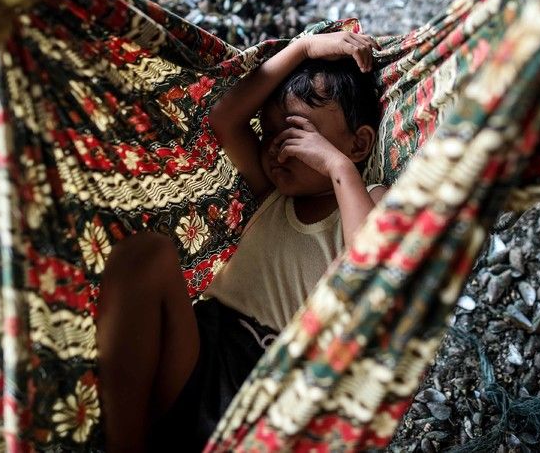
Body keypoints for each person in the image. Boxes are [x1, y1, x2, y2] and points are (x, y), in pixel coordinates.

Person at [97, 31, 389, 452]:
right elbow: (223, 116)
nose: (277, 149)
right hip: (199, 348)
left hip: (269, 385)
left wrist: (337, 166)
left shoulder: (370, 202)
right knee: (144, 255)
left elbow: (372, 275)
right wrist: (303, 48)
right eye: (271, 135)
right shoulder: (270, 193)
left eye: (296, 134)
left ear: (358, 144)